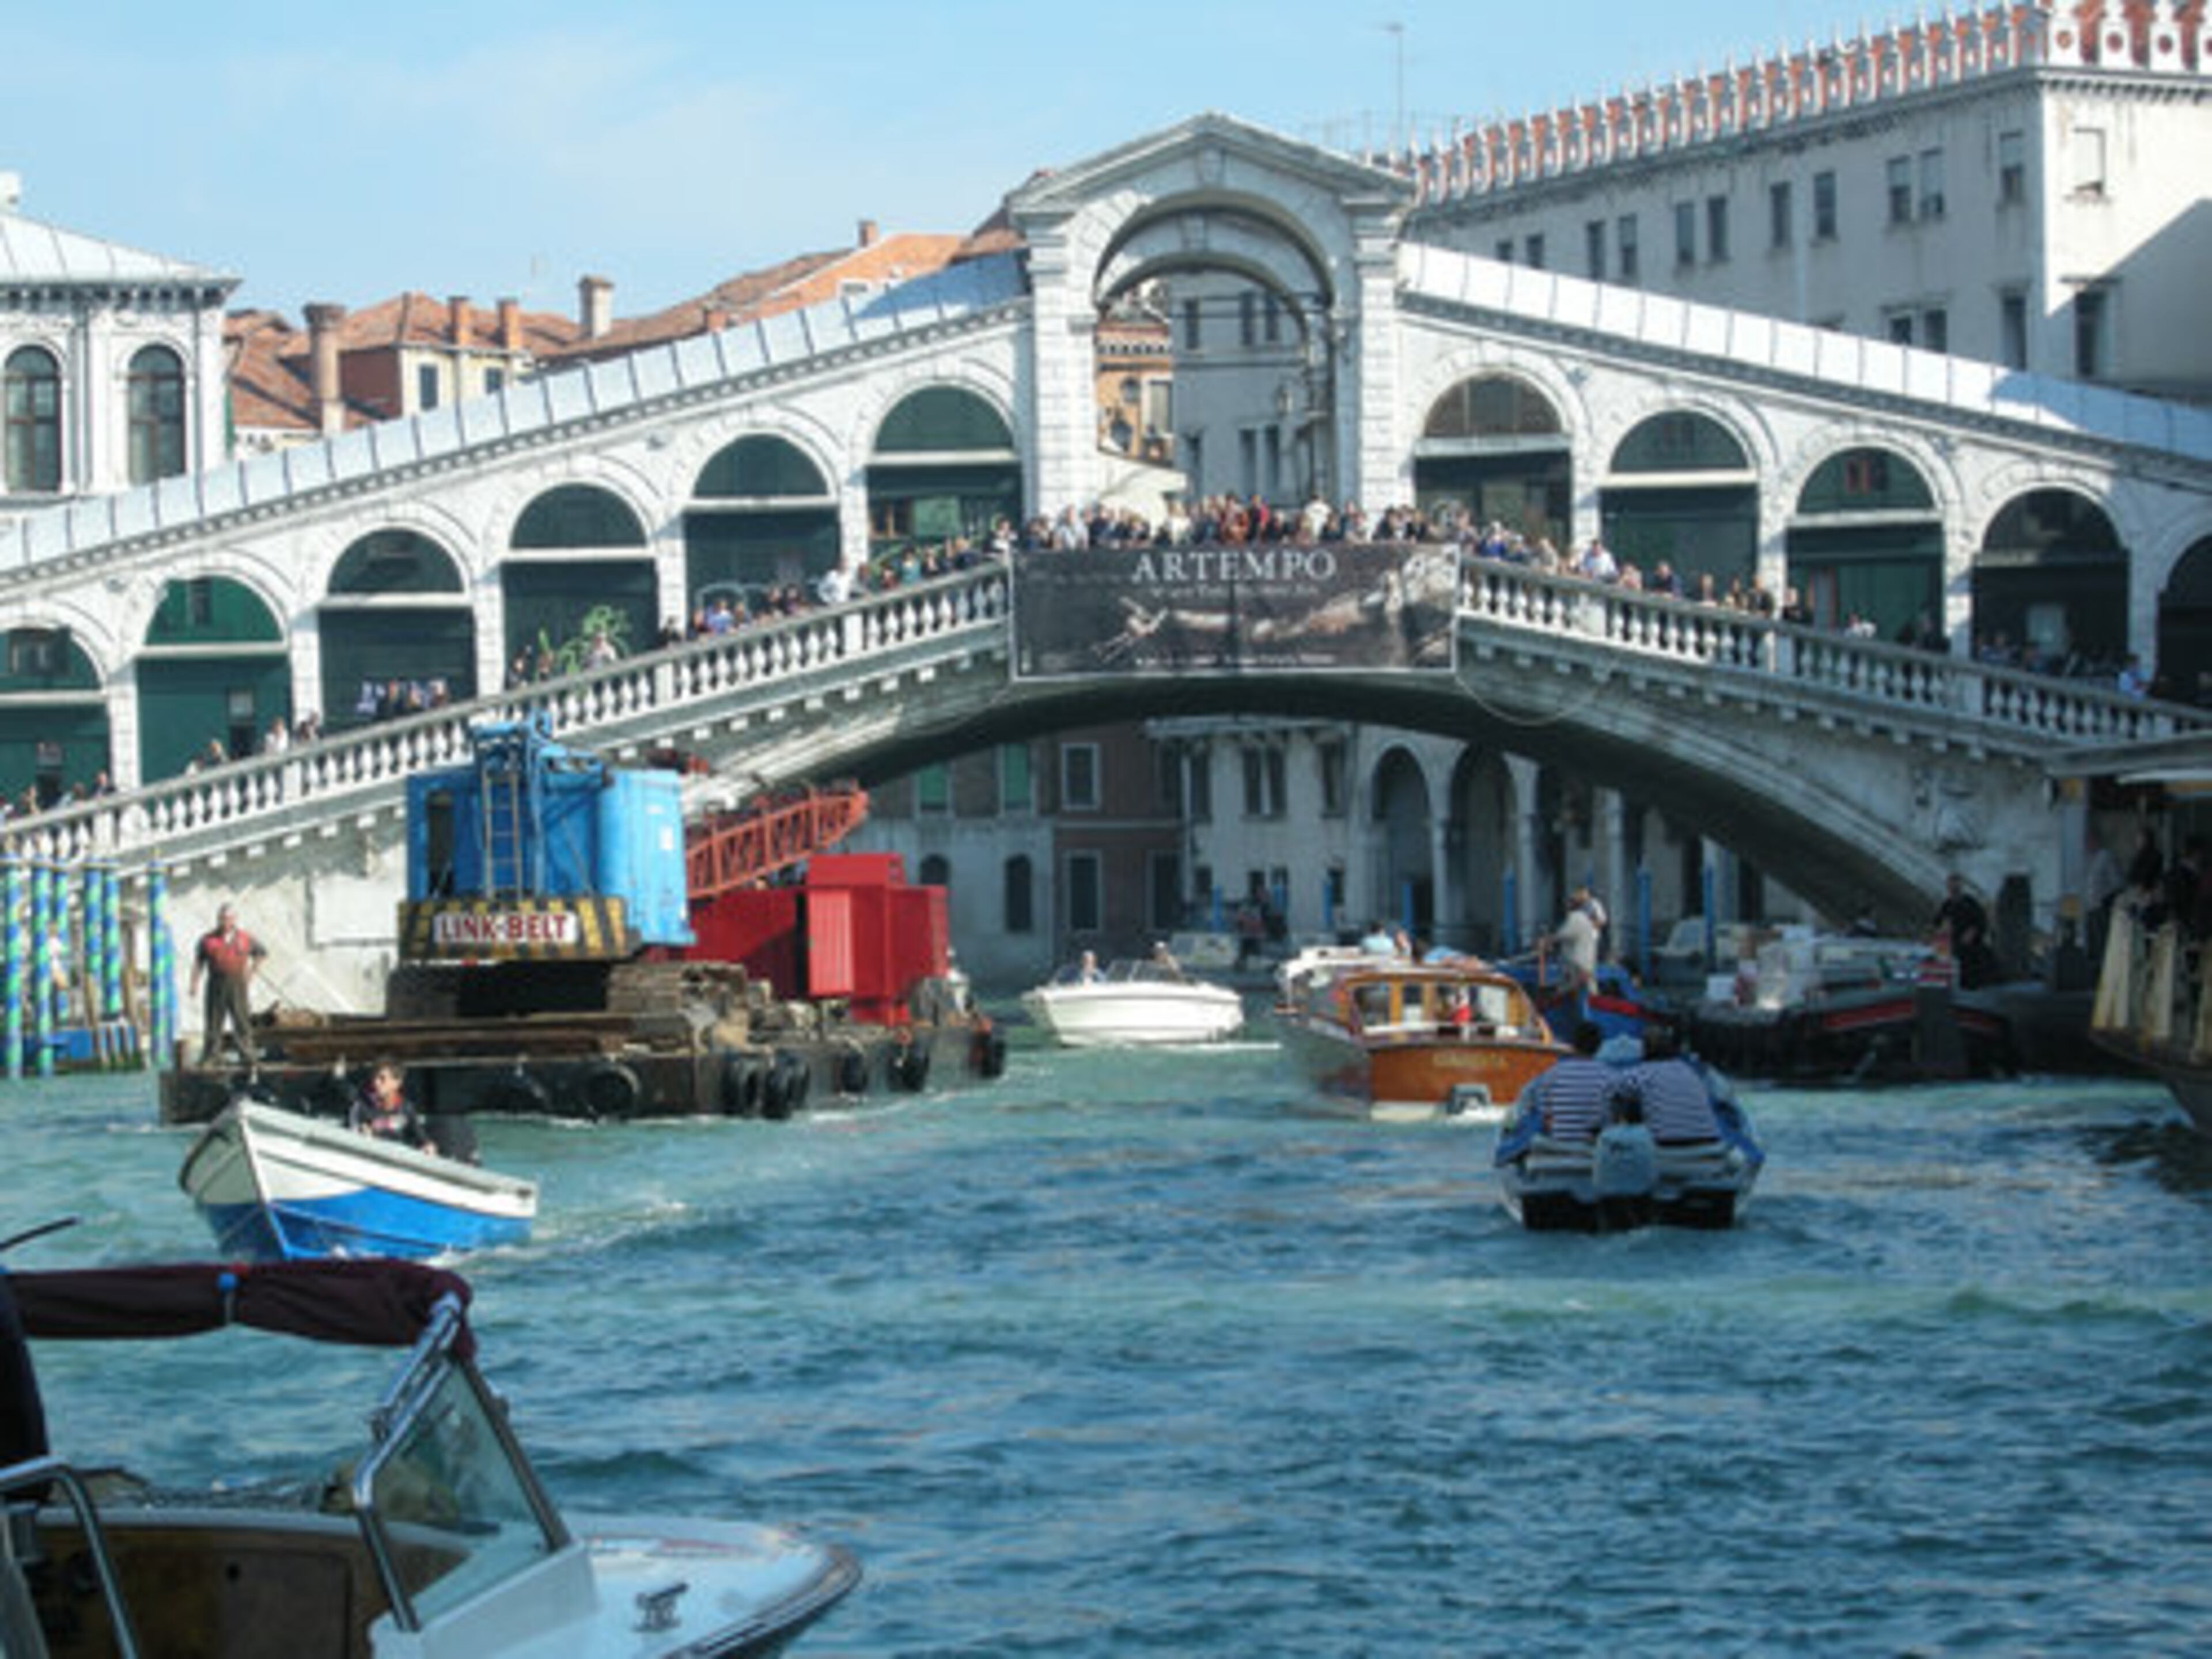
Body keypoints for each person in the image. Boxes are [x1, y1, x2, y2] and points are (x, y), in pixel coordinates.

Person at [187, 903, 266, 1067]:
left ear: (234, 920)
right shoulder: (207, 939)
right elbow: (198, 962)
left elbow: (261, 953)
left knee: (241, 1019)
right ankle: (211, 1055)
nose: (225, 922)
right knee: (214, 1020)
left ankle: (247, 1055)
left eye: (228, 919)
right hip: (216, 982)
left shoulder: (245, 938)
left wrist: (251, 973)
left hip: (238, 982)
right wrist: (194, 983)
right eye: (222, 919)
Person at [1615, 1025, 1721, 1143]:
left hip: (1666, 1148)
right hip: (1711, 1145)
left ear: (1644, 1049)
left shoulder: (1642, 1073)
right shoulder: (1690, 1072)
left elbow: (1616, 1091)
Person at [1522, 1021, 1614, 1139]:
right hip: (1591, 1146)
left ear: (1573, 1045)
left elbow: (1544, 1117)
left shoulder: (1553, 1074)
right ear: (1599, 1046)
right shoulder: (1609, 1076)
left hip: (1559, 1143)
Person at [1930, 873, 1999, 989]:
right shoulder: (1947, 905)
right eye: (1951, 885)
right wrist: (1939, 930)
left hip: (1971, 946)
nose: (1953, 888)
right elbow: (1938, 924)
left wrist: (1973, 932)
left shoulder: (1970, 902)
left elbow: (1981, 922)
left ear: (1961, 886)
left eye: (1956, 885)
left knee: (1974, 962)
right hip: (1953, 945)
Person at [349, 1059, 427, 1148]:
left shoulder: (406, 1108)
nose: (376, 1083)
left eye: (382, 1079)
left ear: (397, 1083)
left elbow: (422, 1139)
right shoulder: (361, 1104)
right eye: (375, 1078)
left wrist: (428, 1146)